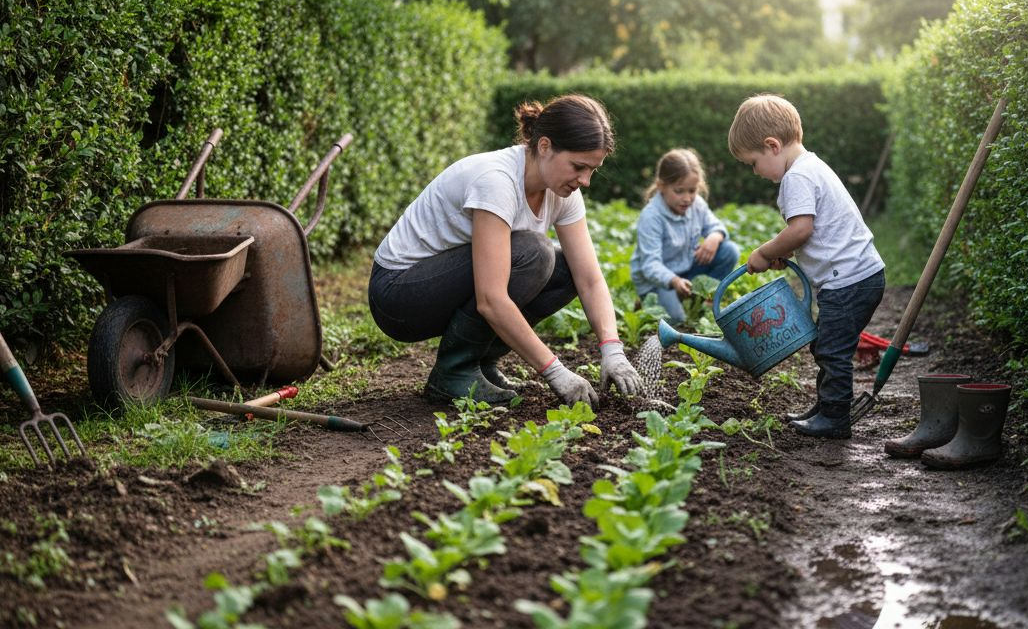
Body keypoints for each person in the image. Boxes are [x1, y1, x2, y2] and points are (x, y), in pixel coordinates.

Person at [368, 94, 640, 408]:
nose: (586, 180)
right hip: (398, 295)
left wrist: (612, 350)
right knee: (534, 253)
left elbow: (589, 279)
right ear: (544, 146)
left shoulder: (562, 191)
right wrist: (556, 372)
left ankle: (481, 365)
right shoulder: (496, 181)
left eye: (593, 169)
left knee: (565, 271)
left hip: (440, 285)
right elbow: (491, 299)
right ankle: (454, 371)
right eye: (579, 166)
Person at [727, 94, 885, 438]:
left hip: (848, 281)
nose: (755, 172)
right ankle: (826, 406)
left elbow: (801, 229)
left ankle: (834, 418)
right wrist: (790, 252)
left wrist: (765, 252)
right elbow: (815, 233)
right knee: (827, 344)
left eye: (753, 163)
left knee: (832, 349)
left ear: (772, 146)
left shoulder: (796, 177)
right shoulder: (812, 165)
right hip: (860, 276)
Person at [630, 148, 739, 324]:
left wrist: (715, 236)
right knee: (676, 320)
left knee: (729, 251)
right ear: (661, 186)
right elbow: (650, 265)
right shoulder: (651, 216)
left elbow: (715, 226)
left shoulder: (697, 205)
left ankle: (699, 301)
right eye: (679, 191)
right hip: (656, 282)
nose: (687, 198)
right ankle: (647, 303)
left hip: (685, 270)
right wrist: (673, 280)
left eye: (692, 190)